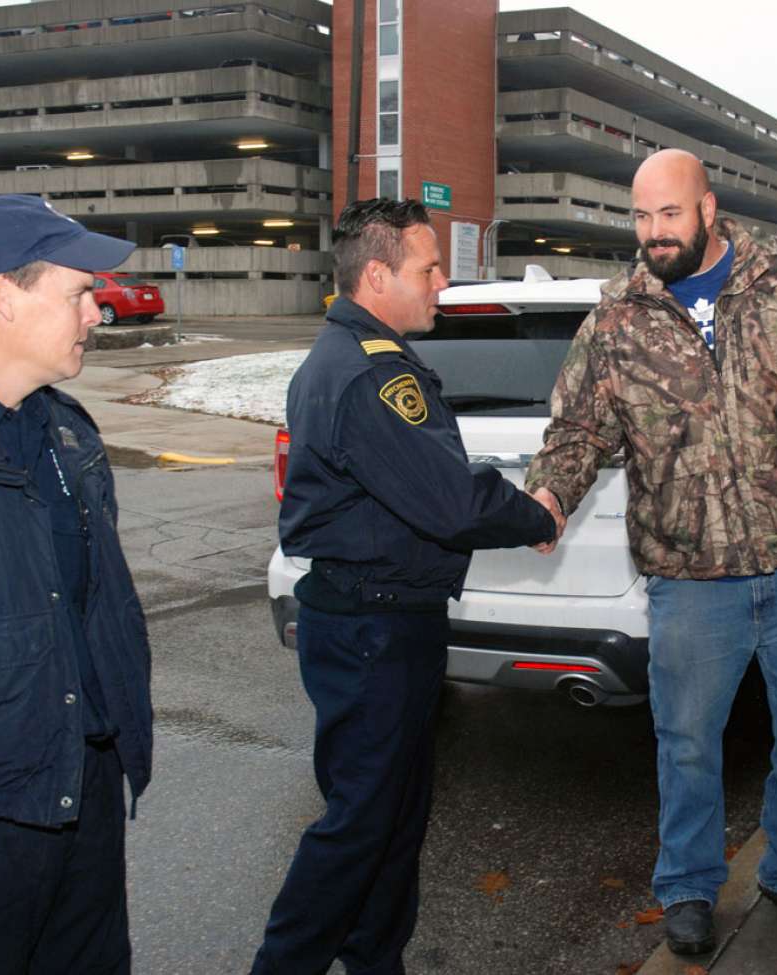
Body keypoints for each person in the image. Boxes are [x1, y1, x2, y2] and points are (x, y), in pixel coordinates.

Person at [525, 149, 777, 954]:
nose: (654, 233)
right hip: (690, 580)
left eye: (669, 214)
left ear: (708, 208)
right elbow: (579, 430)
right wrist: (548, 496)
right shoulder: (618, 318)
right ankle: (689, 887)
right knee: (687, 740)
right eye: (641, 216)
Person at [249, 198, 559, 975]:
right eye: (428, 268)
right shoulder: (371, 374)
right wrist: (535, 514)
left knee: (391, 819)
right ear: (378, 274)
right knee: (361, 824)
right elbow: (450, 499)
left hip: (380, 623)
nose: (441, 281)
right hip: (373, 632)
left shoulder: (355, 357)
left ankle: (374, 960)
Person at [0, 195, 152, 972]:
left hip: (80, 805)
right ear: (3, 294)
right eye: (80, 291)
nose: (99, 313)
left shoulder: (67, 431)